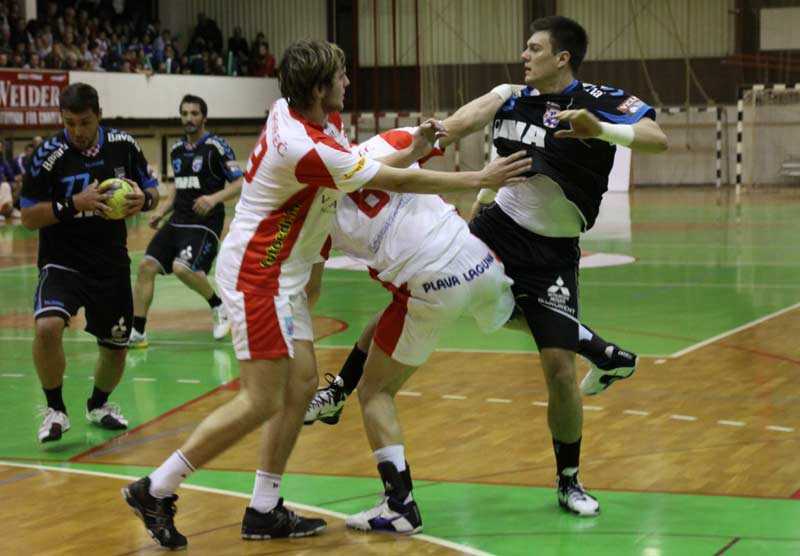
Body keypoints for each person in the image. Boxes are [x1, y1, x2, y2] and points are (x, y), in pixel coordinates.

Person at [121, 38, 531, 550]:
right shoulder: (305, 146)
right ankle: (155, 488)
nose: (348, 82)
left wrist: (415, 147)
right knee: (261, 399)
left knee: (300, 388)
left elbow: (363, 173)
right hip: (259, 276)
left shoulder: (300, 115)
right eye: (339, 76)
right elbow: (395, 181)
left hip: (284, 274)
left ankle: (264, 508)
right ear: (318, 90)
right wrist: (480, 177)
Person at [301, 128, 639, 533]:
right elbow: (456, 125)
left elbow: (311, 290)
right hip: (475, 257)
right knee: (515, 318)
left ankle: (399, 505)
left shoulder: (317, 209)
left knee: (376, 391)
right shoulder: (382, 144)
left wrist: (290, 328)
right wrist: (494, 104)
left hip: (431, 284)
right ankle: (600, 350)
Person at [454, 16, 667, 517]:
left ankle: (569, 481)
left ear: (562, 57)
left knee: (558, 369)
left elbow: (657, 138)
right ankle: (343, 386)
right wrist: (479, 203)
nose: (524, 56)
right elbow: (507, 160)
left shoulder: (598, 99)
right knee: (433, 286)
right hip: (497, 227)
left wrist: (603, 129)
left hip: (552, 251)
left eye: (534, 48)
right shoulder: (513, 99)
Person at [19, 82, 159, 443]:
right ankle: (55, 409)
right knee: (47, 327)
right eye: (69, 123)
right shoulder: (48, 155)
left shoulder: (123, 145)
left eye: (84, 122)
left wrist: (144, 200)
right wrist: (73, 204)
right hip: (62, 261)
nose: (77, 131)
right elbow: (28, 217)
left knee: (115, 347)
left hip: (110, 263)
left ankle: (98, 405)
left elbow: (153, 191)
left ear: (99, 115)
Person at [129, 94, 243, 348]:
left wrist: (213, 199)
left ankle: (219, 306)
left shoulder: (216, 146)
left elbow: (240, 182)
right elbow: (178, 187)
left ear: (204, 117)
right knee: (146, 266)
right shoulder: (177, 149)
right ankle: (137, 332)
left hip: (204, 223)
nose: (189, 118)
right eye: (185, 113)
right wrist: (161, 212)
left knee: (182, 268)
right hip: (177, 220)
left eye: (194, 113)